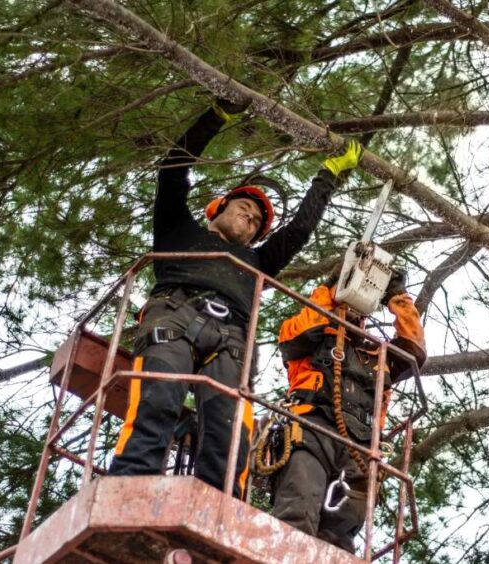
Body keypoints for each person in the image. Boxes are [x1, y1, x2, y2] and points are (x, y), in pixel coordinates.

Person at [108, 97, 364, 498]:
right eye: (245, 207)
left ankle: (218, 503)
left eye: (258, 221)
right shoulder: (178, 229)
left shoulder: (258, 260)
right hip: (174, 315)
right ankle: (126, 488)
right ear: (217, 209)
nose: (251, 217)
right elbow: (173, 169)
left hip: (230, 337)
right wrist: (216, 116)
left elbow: (298, 231)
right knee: (158, 397)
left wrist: (327, 176)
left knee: (230, 426)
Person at [270, 268, 426, 552]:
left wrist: (397, 298)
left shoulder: (378, 354)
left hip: (361, 448)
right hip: (311, 430)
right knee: (298, 511)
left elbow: (414, 350)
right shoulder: (310, 335)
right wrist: (329, 287)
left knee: (341, 537)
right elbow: (302, 333)